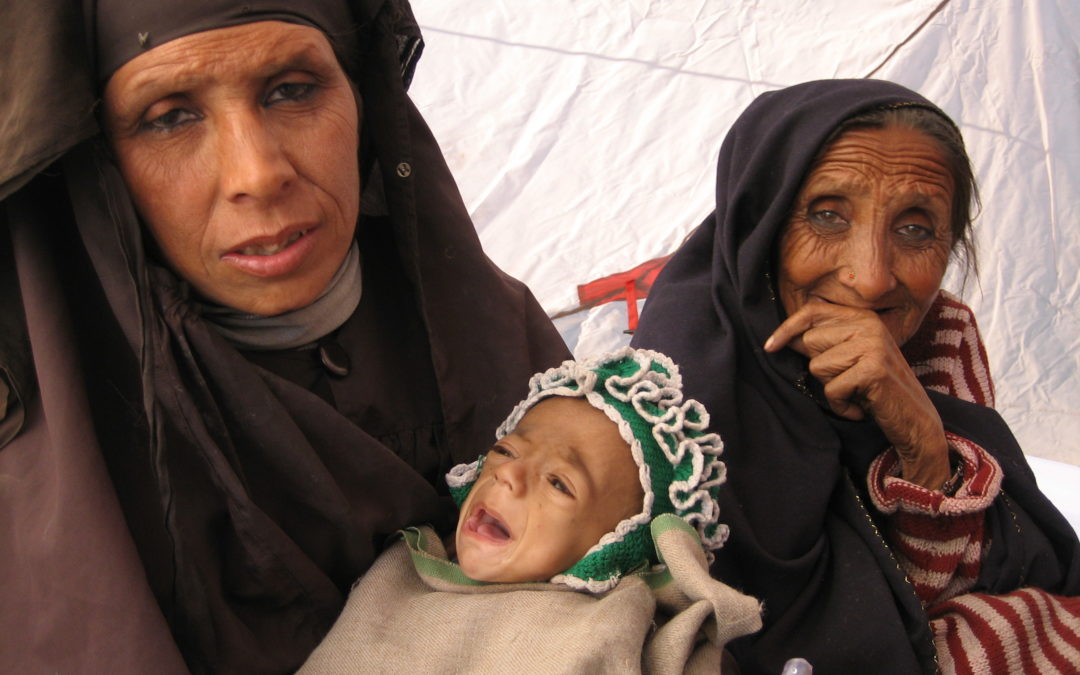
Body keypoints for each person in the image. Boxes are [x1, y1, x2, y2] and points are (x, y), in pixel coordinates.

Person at [0, 1, 569, 672]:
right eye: (170, 116)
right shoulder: (56, 488)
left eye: (292, 90)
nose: (257, 174)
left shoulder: (498, 338)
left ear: (360, 96)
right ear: (104, 164)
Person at [630, 79, 1080, 674]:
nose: (871, 279)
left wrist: (922, 442)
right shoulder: (666, 387)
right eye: (826, 216)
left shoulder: (938, 333)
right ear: (759, 223)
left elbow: (964, 586)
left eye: (915, 228)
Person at [299, 348, 762, 673]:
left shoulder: (606, 631)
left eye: (559, 483)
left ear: (617, 546)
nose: (509, 476)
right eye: (505, 451)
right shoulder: (397, 575)